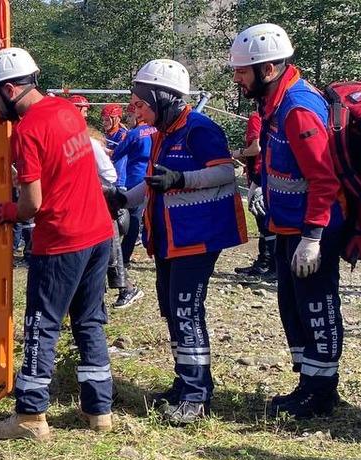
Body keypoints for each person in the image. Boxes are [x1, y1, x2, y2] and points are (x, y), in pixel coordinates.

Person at [0, 47, 116, 440]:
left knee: (41, 324)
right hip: (98, 234)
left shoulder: (27, 130)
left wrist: (9, 211)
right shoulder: (67, 111)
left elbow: (32, 204)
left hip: (61, 240)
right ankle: (99, 410)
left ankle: (30, 416)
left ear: (9, 89)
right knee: (89, 321)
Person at [108, 59, 247, 424]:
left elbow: (225, 171)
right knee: (172, 310)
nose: (135, 110)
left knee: (187, 311)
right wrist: (123, 198)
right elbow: (155, 181)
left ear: (164, 97)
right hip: (170, 237)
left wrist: (182, 178)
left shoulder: (199, 129)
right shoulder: (164, 133)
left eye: (140, 103)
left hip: (196, 237)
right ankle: (186, 381)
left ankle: (197, 396)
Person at [230, 23, 345, 418]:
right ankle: (307, 383)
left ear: (270, 69)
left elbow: (323, 178)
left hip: (312, 228)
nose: (237, 78)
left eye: (243, 71)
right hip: (288, 226)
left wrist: (313, 236)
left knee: (317, 304)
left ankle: (322, 392)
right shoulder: (274, 103)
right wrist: (261, 184)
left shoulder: (297, 108)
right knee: (293, 305)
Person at [88, 128, 142, 309]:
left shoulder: (91, 143)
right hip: (109, 193)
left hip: (108, 195)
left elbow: (111, 173)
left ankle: (124, 288)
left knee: (110, 247)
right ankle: (97, 296)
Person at [110, 104, 156, 307]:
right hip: (152, 179)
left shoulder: (135, 134)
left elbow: (117, 154)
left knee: (130, 223)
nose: (128, 118)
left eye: (129, 114)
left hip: (134, 181)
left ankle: (124, 256)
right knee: (146, 217)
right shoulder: (156, 130)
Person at [233, 111, 275, 279]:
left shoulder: (255, 117)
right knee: (265, 223)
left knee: (264, 222)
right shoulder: (273, 116)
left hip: (259, 177)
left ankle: (267, 265)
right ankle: (265, 262)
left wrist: (237, 153)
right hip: (266, 176)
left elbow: (256, 148)